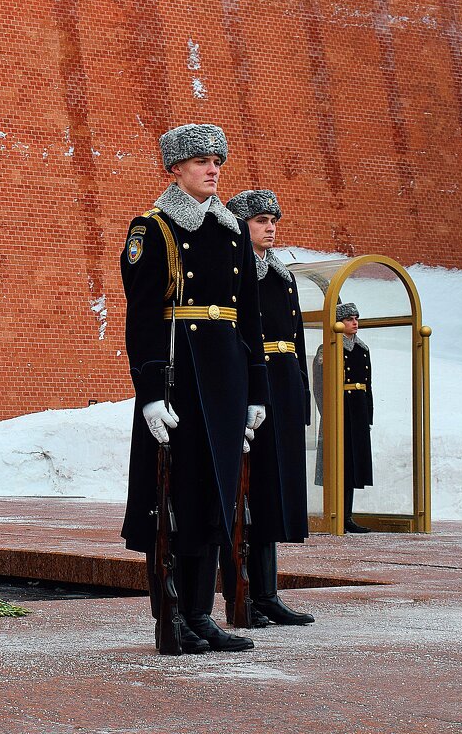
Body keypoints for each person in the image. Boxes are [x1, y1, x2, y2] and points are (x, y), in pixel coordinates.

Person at [120, 123, 269, 653]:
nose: (213, 169)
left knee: (215, 497)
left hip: (225, 378)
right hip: (179, 381)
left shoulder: (232, 232)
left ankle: (202, 614)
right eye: (202, 160)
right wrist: (151, 391)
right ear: (175, 168)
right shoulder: (153, 229)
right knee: (173, 499)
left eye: (218, 161)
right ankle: (173, 616)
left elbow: (250, 319)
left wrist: (256, 394)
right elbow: (143, 317)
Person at [218, 190, 314, 626]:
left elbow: (297, 338)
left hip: (284, 385)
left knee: (274, 494)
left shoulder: (282, 275)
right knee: (246, 495)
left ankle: (268, 594)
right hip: (253, 384)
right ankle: (243, 595)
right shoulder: (235, 272)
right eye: (260, 220)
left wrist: (302, 395)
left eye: (273, 219)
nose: (270, 227)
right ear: (240, 225)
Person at [311, 302, 373, 533]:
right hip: (338, 410)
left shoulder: (363, 349)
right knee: (338, 463)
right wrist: (328, 412)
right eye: (349, 319)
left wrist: (368, 415)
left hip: (357, 411)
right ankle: (334, 514)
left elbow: (368, 385)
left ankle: (347, 515)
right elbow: (320, 385)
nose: (355, 323)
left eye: (356, 318)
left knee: (353, 465)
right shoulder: (328, 347)